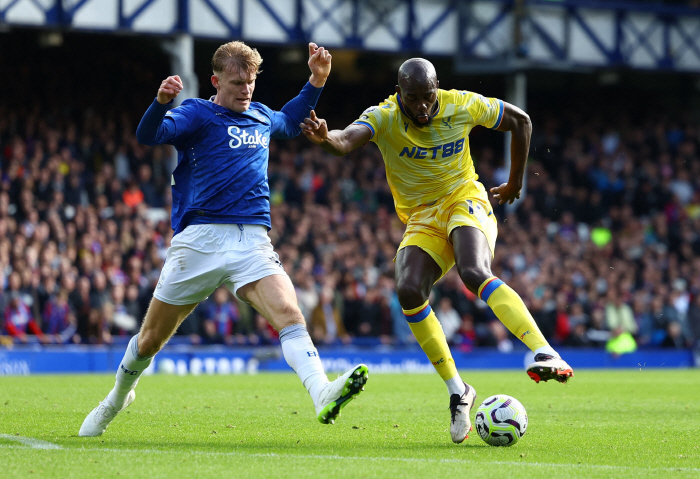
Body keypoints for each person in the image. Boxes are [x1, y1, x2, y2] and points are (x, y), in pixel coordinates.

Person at [79, 41, 368, 437]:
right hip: (199, 241)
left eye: (250, 82)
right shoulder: (198, 113)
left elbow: (289, 118)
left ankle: (322, 392)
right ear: (216, 81)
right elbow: (150, 135)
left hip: (252, 239)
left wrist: (316, 79)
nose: (246, 89)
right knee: (149, 342)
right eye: (236, 82)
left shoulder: (262, 116)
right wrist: (161, 102)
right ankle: (116, 398)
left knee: (290, 314)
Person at [300, 58, 573, 444]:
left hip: (465, 198)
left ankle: (544, 352)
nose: (423, 107)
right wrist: (326, 138)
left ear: (437, 88)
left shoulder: (460, 104)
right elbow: (345, 141)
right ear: (400, 94)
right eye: (413, 99)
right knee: (409, 290)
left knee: (473, 272)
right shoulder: (385, 115)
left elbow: (521, 121)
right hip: (423, 217)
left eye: (428, 97)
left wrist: (514, 183)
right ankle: (459, 391)